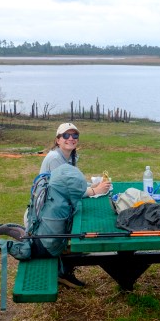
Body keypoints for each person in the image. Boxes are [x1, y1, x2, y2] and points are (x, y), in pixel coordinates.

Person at [39, 122, 111, 288]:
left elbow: (71, 183)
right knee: (82, 237)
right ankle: (62, 272)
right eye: (66, 135)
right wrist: (94, 191)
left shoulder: (70, 156)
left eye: (74, 135)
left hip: (59, 205)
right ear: (58, 139)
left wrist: (91, 185)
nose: (71, 138)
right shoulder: (55, 159)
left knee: (81, 231)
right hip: (49, 214)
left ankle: (65, 265)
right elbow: (67, 191)